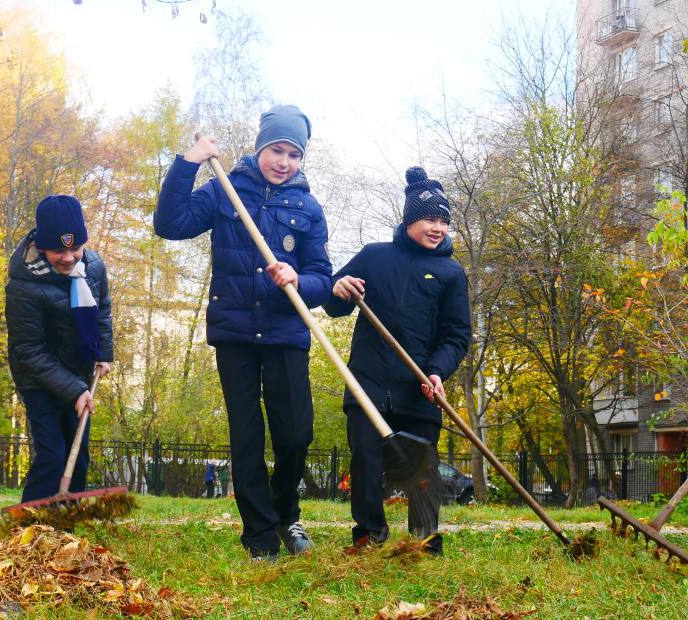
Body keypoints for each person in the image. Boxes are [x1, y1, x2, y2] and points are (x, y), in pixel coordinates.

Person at [154, 105, 333, 560]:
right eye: (277, 149)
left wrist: (298, 280)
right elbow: (170, 225)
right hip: (234, 332)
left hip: (285, 333)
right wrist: (188, 163)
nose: (284, 161)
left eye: (294, 154)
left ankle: (285, 515)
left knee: (295, 435)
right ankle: (259, 535)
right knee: (247, 435)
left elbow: (322, 277)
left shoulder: (308, 208)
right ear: (260, 149)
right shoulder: (224, 191)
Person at [324, 166, 471, 555]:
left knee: (423, 466)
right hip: (368, 383)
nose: (437, 227)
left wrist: (437, 372)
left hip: (419, 386)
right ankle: (369, 536)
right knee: (367, 461)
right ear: (409, 221)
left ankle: (423, 539)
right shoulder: (374, 257)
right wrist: (338, 288)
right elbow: (332, 304)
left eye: (443, 220)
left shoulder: (451, 273)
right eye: (429, 219)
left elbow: (457, 335)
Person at [7, 195, 113, 503]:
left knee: (77, 456)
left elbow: (102, 309)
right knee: (53, 455)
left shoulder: (92, 267)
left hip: (78, 372)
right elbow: (28, 351)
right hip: (38, 380)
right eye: (58, 250)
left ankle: (66, 525)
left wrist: (103, 353)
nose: (68, 257)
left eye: (75, 248)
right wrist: (75, 390)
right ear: (41, 248)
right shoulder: (23, 285)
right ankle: (29, 522)